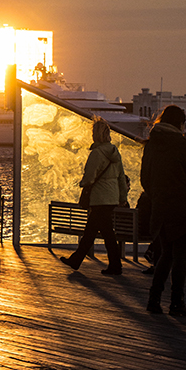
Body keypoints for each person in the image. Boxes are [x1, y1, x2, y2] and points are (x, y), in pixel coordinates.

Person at [141, 104, 186, 316]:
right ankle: (177, 302)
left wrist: (158, 194)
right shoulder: (183, 144)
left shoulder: (150, 144)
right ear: (180, 124)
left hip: (160, 208)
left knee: (164, 254)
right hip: (182, 208)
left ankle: (154, 299)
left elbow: (144, 180)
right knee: (180, 256)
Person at [61, 117, 129, 276]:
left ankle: (114, 266)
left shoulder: (97, 153)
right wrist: (122, 197)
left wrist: (82, 184)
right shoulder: (114, 152)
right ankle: (78, 260)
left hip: (99, 198)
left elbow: (89, 177)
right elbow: (121, 176)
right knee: (97, 232)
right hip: (111, 198)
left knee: (102, 233)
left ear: (96, 135)